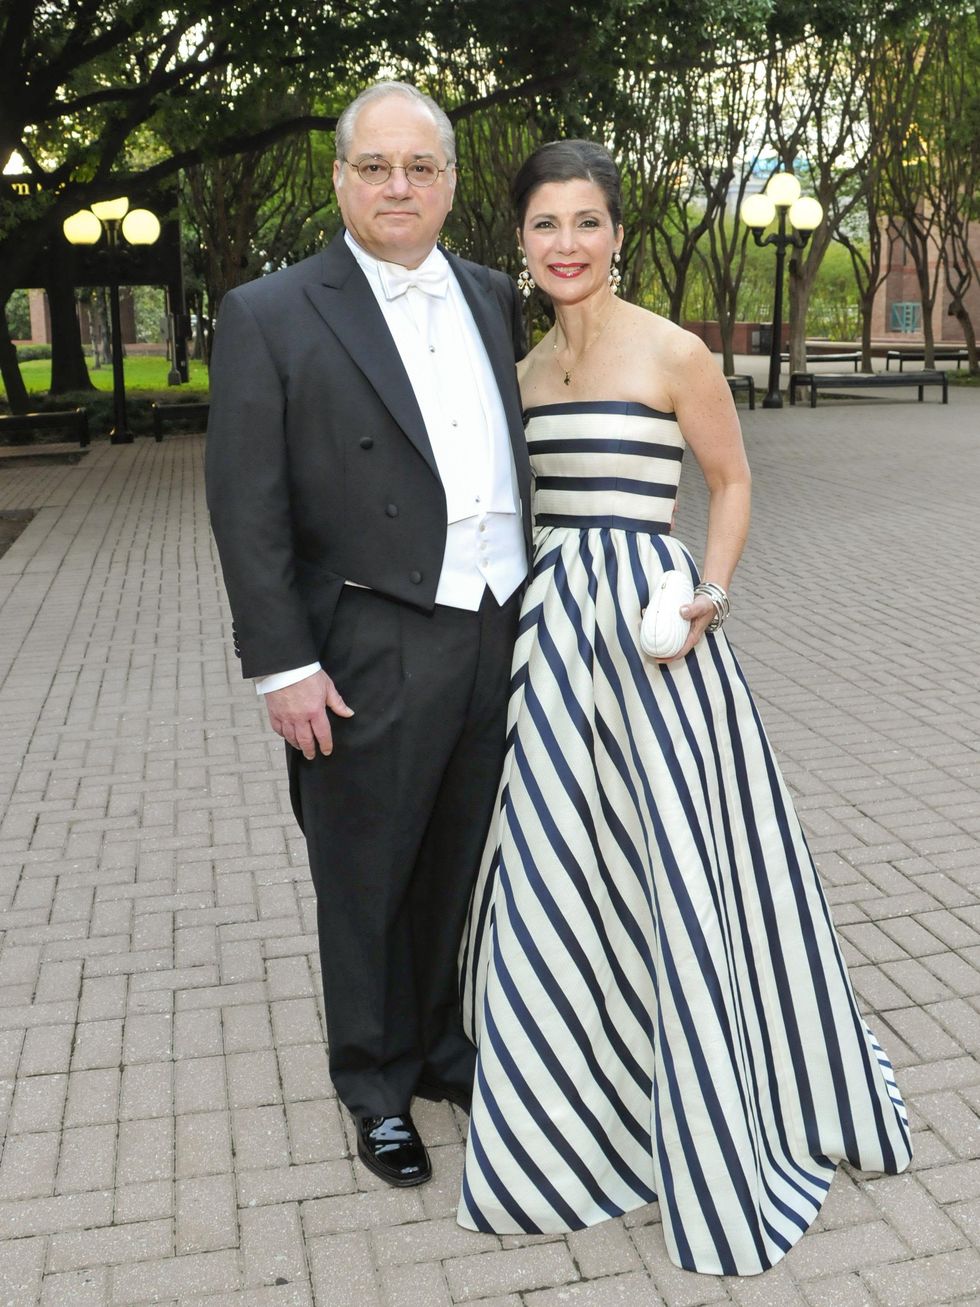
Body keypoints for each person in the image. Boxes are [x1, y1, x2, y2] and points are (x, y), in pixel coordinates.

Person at [456, 140, 912, 1274]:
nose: (566, 244)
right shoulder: (515, 373)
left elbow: (731, 479)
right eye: (545, 224)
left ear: (617, 233)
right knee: (558, 864)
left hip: (653, 644)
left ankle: (707, 1082)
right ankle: (575, 1092)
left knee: (671, 860)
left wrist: (709, 589)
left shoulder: (673, 350)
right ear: (520, 239)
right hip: (550, 642)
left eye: (586, 223)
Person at [205, 81, 531, 1188]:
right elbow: (244, 507)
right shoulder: (270, 312)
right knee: (362, 875)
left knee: (451, 862)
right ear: (340, 178)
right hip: (366, 643)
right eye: (375, 166)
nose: (399, 185)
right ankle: (374, 1082)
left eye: (421, 167)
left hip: (491, 626)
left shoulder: (491, 293)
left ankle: (439, 1047)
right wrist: (282, 664)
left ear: (448, 182)